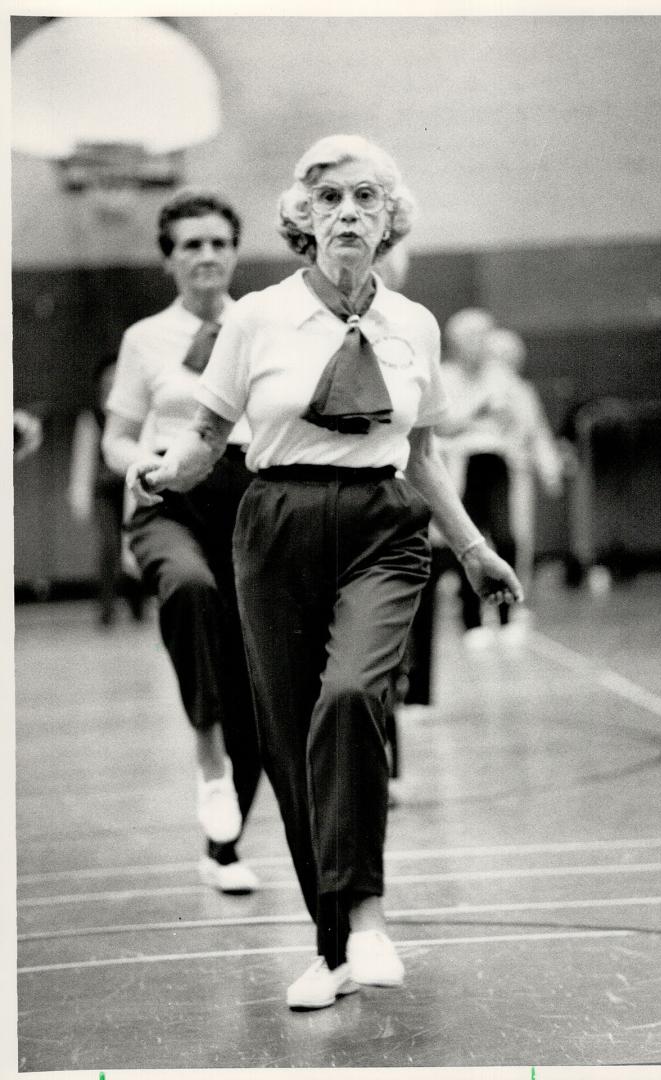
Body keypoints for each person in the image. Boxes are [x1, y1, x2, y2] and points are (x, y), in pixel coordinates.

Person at [128, 136, 522, 1011]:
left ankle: (369, 917)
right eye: (330, 198)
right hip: (272, 525)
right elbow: (207, 433)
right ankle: (330, 944)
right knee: (288, 735)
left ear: (390, 220)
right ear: (303, 218)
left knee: (350, 698)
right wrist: (162, 472)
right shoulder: (255, 319)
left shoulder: (412, 323)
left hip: (383, 526)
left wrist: (473, 547)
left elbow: (419, 455)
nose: (347, 212)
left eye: (366, 198)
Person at [101, 189, 261, 894]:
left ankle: (221, 852)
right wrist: (133, 464)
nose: (206, 256)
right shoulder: (144, 339)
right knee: (188, 587)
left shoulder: (262, 327)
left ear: (233, 252)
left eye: (218, 243)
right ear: (169, 258)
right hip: (167, 500)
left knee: (254, 689)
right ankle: (205, 757)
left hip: (249, 507)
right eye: (191, 244)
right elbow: (115, 438)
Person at [437, 319, 560, 647]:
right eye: (472, 337)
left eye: (483, 337)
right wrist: (477, 410)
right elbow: (443, 426)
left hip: (499, 463)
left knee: (508, 538)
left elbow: (529, 425)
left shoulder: (502, 378)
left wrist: (547, 465)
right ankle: (472, 621)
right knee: (468, 541)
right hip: (460, 465)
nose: (480, 345)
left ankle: (508, 614)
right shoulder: (445, 377)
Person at [67, 354, 146, 626]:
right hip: (104, 492)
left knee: (134, 544)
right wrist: (80, 495)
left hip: (130, 488)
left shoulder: (135, 413)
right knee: (109, 546)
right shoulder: (91, 417)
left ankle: (137, 604)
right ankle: (106, 608)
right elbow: (83, 459)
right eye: (107, 379)